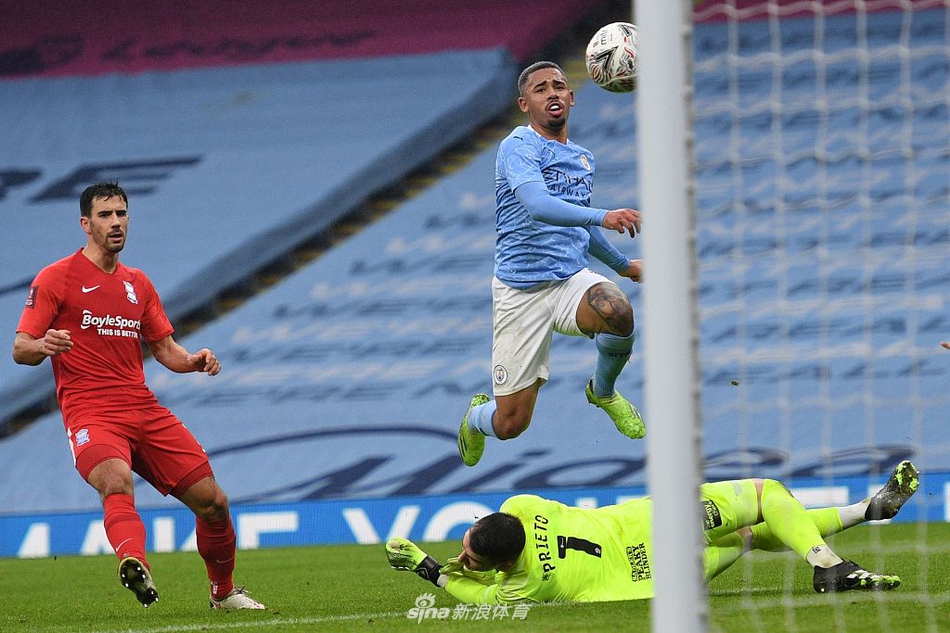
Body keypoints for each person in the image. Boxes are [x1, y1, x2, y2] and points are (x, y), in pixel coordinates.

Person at [12, 182, 264, 610]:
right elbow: (21, 348)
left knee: (214, 503)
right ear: (85, 224)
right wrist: (43, 345)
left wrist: (195, 360)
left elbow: (165, 350)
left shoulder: (137, 283)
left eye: (121, 214)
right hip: (92, 412)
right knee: (115, 482)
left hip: (143, 409)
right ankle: (134, 562)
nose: (116, 222)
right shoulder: (57, 278)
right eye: (106, 215)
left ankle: (223, 593)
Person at [457, 61, 645, 468]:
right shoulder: (518, 146)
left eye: (559, 86)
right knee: (510, 424)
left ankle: (604, 392)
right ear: (526, 104)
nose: (553, 93)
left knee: (617, 310)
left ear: (572, 97)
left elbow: (578, 222)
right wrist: (603, 214)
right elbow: (539, 206)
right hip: (519, 292)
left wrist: (622, 266)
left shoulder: (582, 158)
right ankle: (474, 418)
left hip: (568, 281)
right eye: (541, 89)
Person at [386, 460, 920, 603]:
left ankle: (866, 512)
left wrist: (428, 567)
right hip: (661, 518)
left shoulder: (531, 585)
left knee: (752, 532)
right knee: (767, 498)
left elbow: (480, 602)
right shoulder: (522, 505)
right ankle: (833, 553)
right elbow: (499, 531)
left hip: (667, 573)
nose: (464, 551)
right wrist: (475, 555)